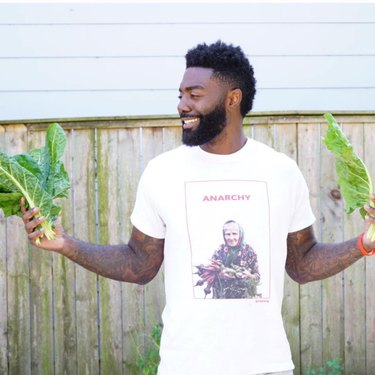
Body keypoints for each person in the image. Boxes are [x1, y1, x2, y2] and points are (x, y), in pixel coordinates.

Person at [21, 40, 375, 375]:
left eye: (195, 94)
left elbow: (302, 263)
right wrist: (67, 245)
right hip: (185, 366)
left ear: (232, 99)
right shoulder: (163, 172)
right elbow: (139, 265)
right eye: (180, 94)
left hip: (266, 365)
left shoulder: (281, 171)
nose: (181, 104)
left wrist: (364, 244)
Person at [194, 220, 261, 299]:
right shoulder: (220, 250)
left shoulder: (249, 251)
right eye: (228, 234)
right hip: (222, 298)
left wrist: (249, 275)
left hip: (244, 299)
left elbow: (257, 278)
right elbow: (211, 275)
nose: (231, 238)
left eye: (234, 234)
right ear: (224, 235)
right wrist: (220, 275)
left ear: (240, 234)